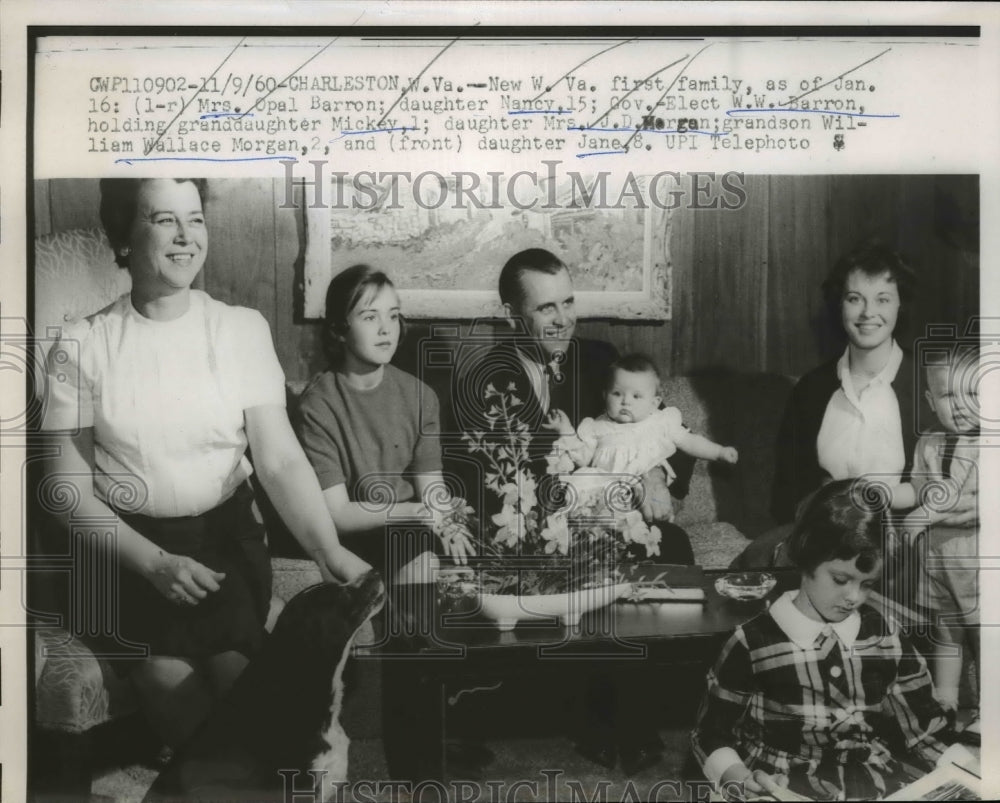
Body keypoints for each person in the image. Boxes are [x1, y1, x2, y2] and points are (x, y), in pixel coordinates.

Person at [39, 178, 370, 751]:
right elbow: (67, 490)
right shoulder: (79, 344)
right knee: (202, 739)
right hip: (127, 556)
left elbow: (280, 459)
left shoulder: (240, 330)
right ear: (124, 234)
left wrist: (328, 550)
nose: (186, 236)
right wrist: (154, 563)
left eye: (196, 219)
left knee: (266, 732)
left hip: (226, 549)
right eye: (164, 219)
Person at [454, 248, 685, 774]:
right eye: (545, 309)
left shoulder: (601, 358)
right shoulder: (482, 378)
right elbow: (485, 482)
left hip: (612, 505)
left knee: (669, 545)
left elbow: (656, 428)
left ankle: (633, 714)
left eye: (568, 302)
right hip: (535, 522)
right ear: (514, 316)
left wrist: (651, 476)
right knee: (569, 559)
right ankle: (594, 716)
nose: (563, 319)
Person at [693, 479, 959, 801]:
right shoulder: (753, 641)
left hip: (870, 781)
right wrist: (740, 779)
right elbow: (711, 735)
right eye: (840, 579)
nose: (853, 597)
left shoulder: (886, 636)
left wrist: (963, 772)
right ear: (806, 558)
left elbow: (922, 730)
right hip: (780, 783)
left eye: (867, 584)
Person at [733, 241, 976, 569]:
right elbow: (787, 489)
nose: (867, 313)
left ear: (900, 305)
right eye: (854, 299)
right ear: (839, 305)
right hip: (824, 537)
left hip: (905, 543)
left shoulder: (932, 386)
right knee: (754, 564)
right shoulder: (812, 388)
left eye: (883, 299)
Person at [295, 263, 475, 578]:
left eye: (392, 315)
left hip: (410, 530)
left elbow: (432, 488)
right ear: (339, 328)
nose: (385, 329)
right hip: (353, 535)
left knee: (462, 564)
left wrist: (449, 524)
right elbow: (338, 514)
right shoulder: (318, 405)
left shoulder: (420, 396)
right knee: (420, 566)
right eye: (369, 317)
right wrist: (421, 513)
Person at [544, 353, 738, 540]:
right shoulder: (597, 427)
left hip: (643, 495)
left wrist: (718, 452)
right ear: (605, 395)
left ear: (654, 403)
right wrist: (565, 429)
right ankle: (583, 533)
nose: (626, 401)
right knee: (582, 485)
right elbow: (582, 456)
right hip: (606, 492)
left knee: (649, 522)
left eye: (637, 396)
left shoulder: (660, 421)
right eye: (617, 393)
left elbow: (689, 441)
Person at [894, 345, 980, 718]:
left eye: (973, 393)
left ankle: (989, 710)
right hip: (938, 561)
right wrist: (878, 493)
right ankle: (946, 702)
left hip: (977, 562)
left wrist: (923, 515)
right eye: (947, 394)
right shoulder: (928, 443)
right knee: (946, 634)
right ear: (931, 400)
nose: (960, 404)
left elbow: (965, 499)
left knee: (984, 635)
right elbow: (916, 488)